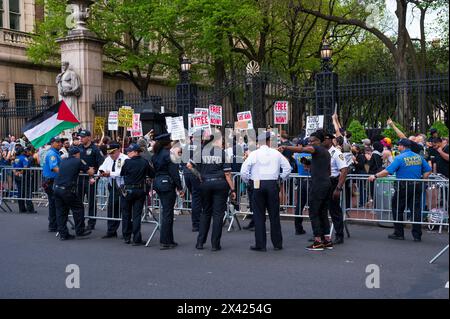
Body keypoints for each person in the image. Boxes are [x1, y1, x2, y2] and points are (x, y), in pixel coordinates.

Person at [368, 138, 431, 242]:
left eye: (399, 145)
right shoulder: (419, 157)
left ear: (403, 146)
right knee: (416, 210)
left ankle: (399, 233)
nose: (398, 147)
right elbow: (428, 170)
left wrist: (375, 176)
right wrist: (422, 180)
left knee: (397, 208)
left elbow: (387, 171)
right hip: (417, 186)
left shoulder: (399, 158)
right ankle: (417, 235)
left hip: (403, 187)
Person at [281, 130, 333, 251]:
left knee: (314, 212)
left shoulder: (316, 149)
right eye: (309, 141)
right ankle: (327, 240)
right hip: (326, 183)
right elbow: (328, 170)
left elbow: (302, 150)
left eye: (312, 140)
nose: (309, 143)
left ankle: (318, 241)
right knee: (323, 213)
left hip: (318, 185)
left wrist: (285, 147)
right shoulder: (326, 152)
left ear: (319, 141)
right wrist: (311, 166)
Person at [241, 131, 292, 252]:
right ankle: (277, 243)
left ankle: (261, 244)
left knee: (259, 215)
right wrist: (280, 178)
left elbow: (243, 171)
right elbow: (288, 168)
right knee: (274, 215)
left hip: (257, 184)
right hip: (272, 184)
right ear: (269, 141)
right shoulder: (276, 153)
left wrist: (249, 181)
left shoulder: (254, 154)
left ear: (259, 142)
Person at [187, 130, 236, 251]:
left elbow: (189, 165)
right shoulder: (222, 153)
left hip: (205, 184)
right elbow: (228, 174)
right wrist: (233, 189)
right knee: (218, 214)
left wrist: (199, 175)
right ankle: (215, 244)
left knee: (206, 212)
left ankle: (200, 242)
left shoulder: (201, 151)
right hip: (220, 184)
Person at [53, 147, 94, 240]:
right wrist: (91, 169)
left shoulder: (63, 161)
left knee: (61, 212)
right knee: (78, 208)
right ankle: (80, 230)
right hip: (67, 189)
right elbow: (90, 172)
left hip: (57, 188)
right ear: (77, 154)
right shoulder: (78, 161)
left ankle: (63, 234)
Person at [152, 133, 184, 249]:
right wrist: (179, 187)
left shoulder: (155, 155)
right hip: (167, 184)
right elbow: (174, 173)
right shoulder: (169, 155)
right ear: (167, 143)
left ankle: (168, 239)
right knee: (167, 213)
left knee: (166, 212)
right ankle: (166, 240)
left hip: (159, 183)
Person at [120, 143, 155, 246]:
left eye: (129, 151)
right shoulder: (145, 162)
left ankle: (126, 237)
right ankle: (136, 238)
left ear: (136, 152)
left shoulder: (126, 162)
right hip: (139, 190)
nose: (127, 153)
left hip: (128, 190)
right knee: (136, 215)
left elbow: (122, 173)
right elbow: (152, 174)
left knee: (126, 214)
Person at [322, 133, 349, 244]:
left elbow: (344, 169)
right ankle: (321, 234)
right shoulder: (322, 152)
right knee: (321, 210)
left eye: (324, 139)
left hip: (333, 182)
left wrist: (338, 188)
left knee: (334, 210)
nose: (322, 142)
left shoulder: (336, 153)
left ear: (330, 140)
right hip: (323, 182)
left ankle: (339, 235)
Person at [98, 142, 129, 238]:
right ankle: (111, 231)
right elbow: (102, 167)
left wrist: (109, 173)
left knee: (125, 209)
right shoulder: (108, 159)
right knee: (112, 208)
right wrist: (102, 172)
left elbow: (121, 172)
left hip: (123, 187)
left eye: (113, 152)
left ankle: (126, 232)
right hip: (113, 187)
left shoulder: (125, 159)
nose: (111, 155)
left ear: (118, 150)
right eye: (109, 153)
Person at [77, 130, 105, 231]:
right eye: (80, 137)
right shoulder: (78, 148)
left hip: (91, 180)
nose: (81, 138)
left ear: (89, 137)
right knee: (78, 202)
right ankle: (79, 222)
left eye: (83, 137)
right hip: (79, 179)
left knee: (91, 202)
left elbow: (102, 164)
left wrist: (96, 177)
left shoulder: (95, 149)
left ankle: (91, 222)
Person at [42, 137, 62, 232]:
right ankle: (54, 225)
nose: (59, 144)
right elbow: (54, 167)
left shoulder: (55, 153)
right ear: (52, 143)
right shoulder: (52, 154)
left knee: (53, 203)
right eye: (57, 142)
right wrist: (66, 173)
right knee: (54, 203)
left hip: (52, 181)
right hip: (51, 181)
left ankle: (53, 225)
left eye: (60, 142)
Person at [183, 135, 202, 232]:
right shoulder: (200, 147)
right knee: (196, 198)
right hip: (194, 173)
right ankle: (196, 223)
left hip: (186, 173)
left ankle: (197, 221)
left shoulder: (186, 146)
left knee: (194, 197)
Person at [12, 146, 36, 213]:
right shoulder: (24, 158)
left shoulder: (16, 158)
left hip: (17, 176)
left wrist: (16, 173)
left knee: (20, 192)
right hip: (24, 177)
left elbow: (13, 167)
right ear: (23, 152)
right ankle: (30, 209)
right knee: (27, 192)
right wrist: (20, 172)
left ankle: (21, 209)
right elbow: (25, 167)